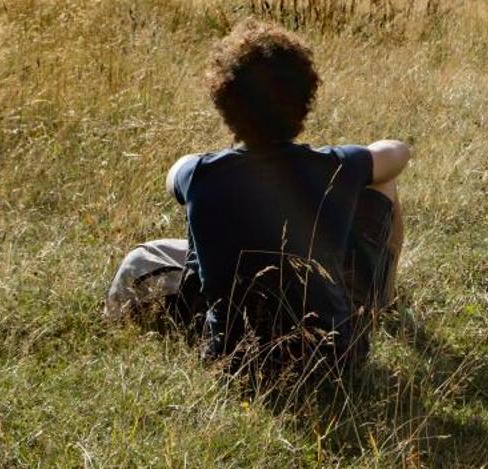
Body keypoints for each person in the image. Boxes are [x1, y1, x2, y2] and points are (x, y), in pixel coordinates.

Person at [105, 21, 411, 373]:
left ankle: (140, 324)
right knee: (383, 182)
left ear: (224, 101)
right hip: (336, 358)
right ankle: (378, 301)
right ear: (305, 100)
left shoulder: (199, 174)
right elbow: (397, 152)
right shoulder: (335, 167)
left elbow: (173, 174)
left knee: (144, 257)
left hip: (232, 360)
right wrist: (350, 161)